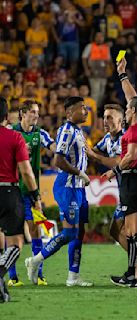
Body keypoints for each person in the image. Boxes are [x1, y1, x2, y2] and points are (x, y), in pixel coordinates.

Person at [25, 96, 93, 287]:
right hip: (67, 186)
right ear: (70, 112)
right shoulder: (66, 131)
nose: (86, 111)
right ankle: (35, 260)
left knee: (79, 233)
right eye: (82, 108)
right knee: (70, 233)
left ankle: (73, 277)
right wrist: (80, 173)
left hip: (78, 188)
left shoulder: (79, 131)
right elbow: (58, 160)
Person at [103, 58, 137, 289]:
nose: (125, 109)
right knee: (131, 231)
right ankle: (135, 275)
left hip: (134, 179)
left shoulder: (135, 130)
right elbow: (132, 97)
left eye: (127, 108)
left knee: (135, 231)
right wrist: (122, 75)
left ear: (133, 111)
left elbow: (131, 156)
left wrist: (115, 169)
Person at [86, 104, 137, 278]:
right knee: (117, 230)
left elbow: (117, 161)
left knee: (128, 231)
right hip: (123, 189)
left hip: (132, 187)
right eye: (104, 117)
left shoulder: (125, 137)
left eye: (110, 117)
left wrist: (95, 156)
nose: (105, 121)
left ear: (121, 120)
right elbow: (93, 152)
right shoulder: (108, 138)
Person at [8, 100, 55, 287]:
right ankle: (12, 277)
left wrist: (61, 150)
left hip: (30, 190)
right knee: (13, 233)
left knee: (35, 228)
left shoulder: (39, 133)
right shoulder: (11, 132)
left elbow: (53, 147)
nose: (36, 115)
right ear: (23, 113)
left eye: (37, 112)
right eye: (33, 112)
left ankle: (39, 274)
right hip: (12, 188)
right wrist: (17, 151)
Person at [0, 96, 42, 303]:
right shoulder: (14, 137)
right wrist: (35, 196)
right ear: (7, 116)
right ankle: (1, 273)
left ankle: (5, 285)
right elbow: (26, 171)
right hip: (9, 192)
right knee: (15, 243)